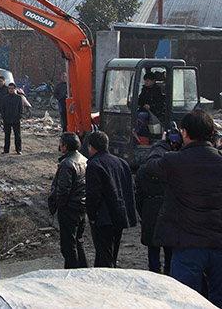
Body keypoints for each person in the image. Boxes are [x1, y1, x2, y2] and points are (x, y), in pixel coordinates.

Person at [144, 109, 222, 306]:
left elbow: (151, 165)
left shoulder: (174, 161)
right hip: (219, 243)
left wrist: (164, 143)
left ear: (184, 133)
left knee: (185, 300)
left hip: (187, 244)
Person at [85, 131, 137, 268]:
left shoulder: (94, 165)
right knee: (113, 251)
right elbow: (130, 188)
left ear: (91, 147)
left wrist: (92, 215)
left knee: (103, 255)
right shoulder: (122, 163)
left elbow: (93, 194)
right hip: (119, 214)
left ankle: (105, 282)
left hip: (103, 218)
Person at [135, 129, 182, 275]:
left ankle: (153, 274)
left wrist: (143, 212)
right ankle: (169, 272)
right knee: (169, 248)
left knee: (152, 247)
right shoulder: (173, 167)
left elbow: (138, 196)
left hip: (149, 211)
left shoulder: (143, 170)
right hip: (168, 210)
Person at [48, 132, 88, 269]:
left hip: (70, 209)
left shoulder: (67, 164)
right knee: (78, 241)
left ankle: (72, 272)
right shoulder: (83, 159)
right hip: (81, 207)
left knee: (68, 245)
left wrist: (59, 206)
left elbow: (63, 190)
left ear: (65, 146)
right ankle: (82, 270)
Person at [136, 72, 165, 136]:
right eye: (145, 80)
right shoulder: (144, 89)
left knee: (141, 115)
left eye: (147, 80)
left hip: (153, 112)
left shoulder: (158, 90)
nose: (146, 82)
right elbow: (141, 99)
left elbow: (160, 104)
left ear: (153, 81)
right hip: (144, 109)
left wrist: (150, 106)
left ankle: (136, 131)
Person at [2, 82, 23, 155]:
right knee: (7, 135)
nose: (10, 90)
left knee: (17, 135)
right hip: (7, 119)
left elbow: (21, 109)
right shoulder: (5, 98)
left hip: (16, 119)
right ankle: (6, 150)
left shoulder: (18, 98)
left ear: (15, 89)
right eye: (9, 89)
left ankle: (18, 149)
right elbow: (3, 108)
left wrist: (19, 116)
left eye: (12, 89)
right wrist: (3, 117)